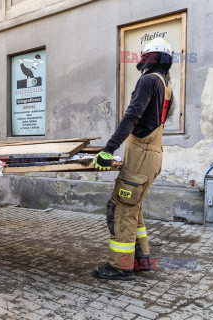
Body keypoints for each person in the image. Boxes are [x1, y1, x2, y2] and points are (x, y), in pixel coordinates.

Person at [93, 37, 173, 280]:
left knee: (120, 209)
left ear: (152, 57)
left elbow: (132, 116)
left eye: (145, 55)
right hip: (152, 154)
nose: (141, 60)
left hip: (141, 156)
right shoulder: (165, 84)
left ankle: (120, 266)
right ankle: (141, 260)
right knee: (134, 209)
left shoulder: (148, 80)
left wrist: (109, 149)